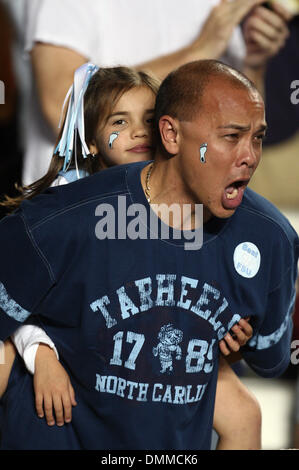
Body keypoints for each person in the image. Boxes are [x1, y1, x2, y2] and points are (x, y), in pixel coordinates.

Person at [1, 59, 297, 450]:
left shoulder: (270, 237)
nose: (250, 156)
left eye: (257, 137)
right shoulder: (64, 215)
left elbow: (272, 358)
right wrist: (38, 352)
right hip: (54, 404)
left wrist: (239, 343)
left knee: (245, 414)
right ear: (171, 135)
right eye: (231, 136)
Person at [21, 0, 292, 185]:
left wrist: (252, 64)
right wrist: (201, 49)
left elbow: (236, 127)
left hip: (184, 219)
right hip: (83, 217)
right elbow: (61, 106)